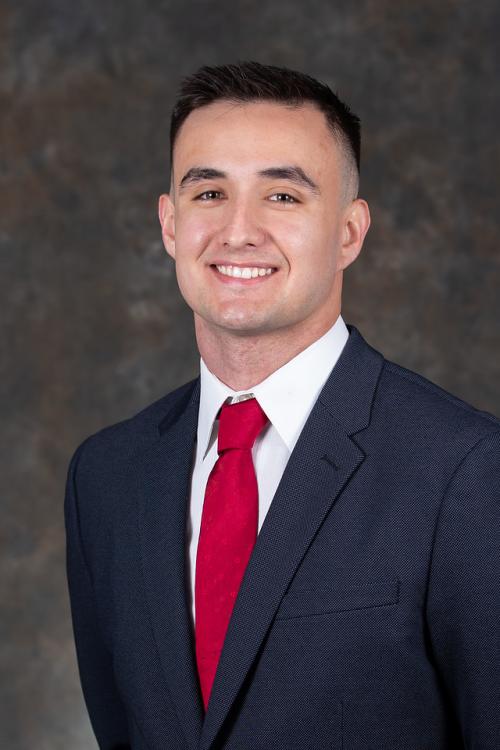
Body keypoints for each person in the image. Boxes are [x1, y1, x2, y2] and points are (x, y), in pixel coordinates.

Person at [65, 61, 500, 750]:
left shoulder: (466, 471)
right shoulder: (106, 476)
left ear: (350, 232)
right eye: (210, 192)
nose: (238, 231)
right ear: (170, 224)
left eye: (283, 196)